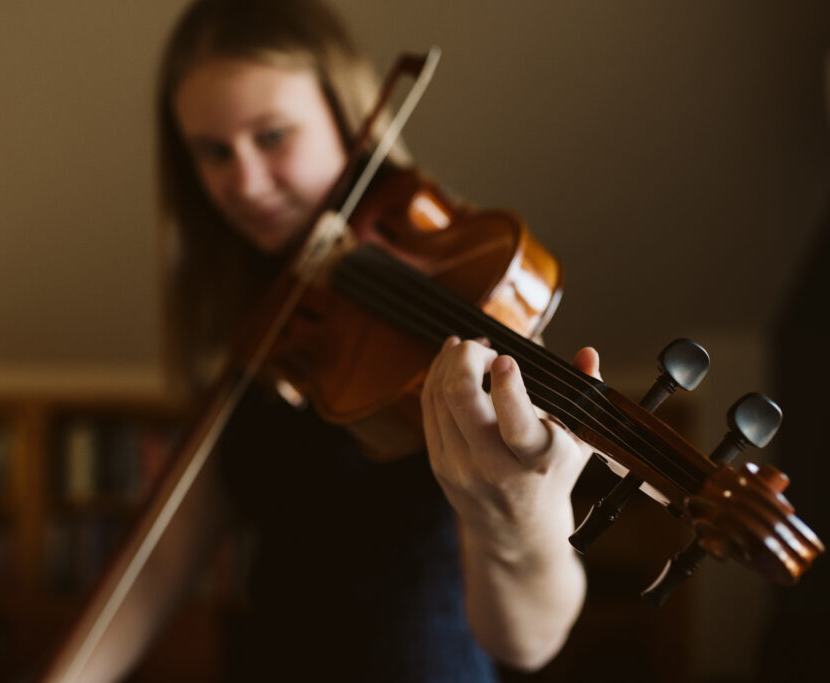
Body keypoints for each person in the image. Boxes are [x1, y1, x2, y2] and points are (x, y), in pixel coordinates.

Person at [49, 1, 600, 680]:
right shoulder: (263, 316)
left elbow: (528, 640)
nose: (245, 182)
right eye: (214, 152)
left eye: (273, 136)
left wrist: (522, 520)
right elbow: (165, 558)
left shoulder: (465, 286)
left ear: (346, 117)